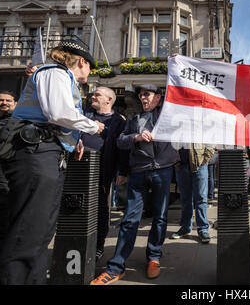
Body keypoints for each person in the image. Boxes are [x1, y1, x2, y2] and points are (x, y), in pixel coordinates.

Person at [0, 39, 105, 285]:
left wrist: (74, 140)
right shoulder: (54, 72)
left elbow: (56, 120)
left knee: (40, 232)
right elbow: (58, 113)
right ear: (82, 61)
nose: (90, 73)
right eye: (90, 67)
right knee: (28, 231)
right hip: (35, 156)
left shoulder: (61, 78)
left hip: (46, 154)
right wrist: (93, 126)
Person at [90, 84, 178, 285]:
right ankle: (116, 267)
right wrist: (135, 137)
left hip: (162, 171)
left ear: (158, 98)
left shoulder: (168, 116)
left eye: (147, 94)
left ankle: (154, 257)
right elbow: (121, 141)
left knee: (160, 216)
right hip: (138, 172)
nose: (142, 98)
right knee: (130, 219)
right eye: (140, 95)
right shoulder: (133, 119)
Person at [75, 86, 129, 261]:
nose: (93, 96)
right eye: (93, 93)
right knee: (76, 207)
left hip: (103, 172)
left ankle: (98, 246)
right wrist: (77, 141)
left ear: (109, 100)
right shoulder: (84, 115)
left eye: (97, 94)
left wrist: (122, 171)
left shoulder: (118, 121)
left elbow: (122, 149)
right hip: (78, 170)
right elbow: (73, 132)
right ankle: (76, 244)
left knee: (100, 210)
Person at [171, 143, 215, 243]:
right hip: (181, 165)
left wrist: (206, 158)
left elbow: (210, 141)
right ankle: (186, 227)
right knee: (185, 199)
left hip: (199, 165)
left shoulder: (201, 126)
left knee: (201, 198)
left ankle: (203, 229)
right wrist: (174, 159)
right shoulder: (177, 126)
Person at [0, 90, 18, 246]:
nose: (4, 103)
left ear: (15, 103)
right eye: (1, 100)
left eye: (8, 101)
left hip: (8, 174)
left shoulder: (19, 122)